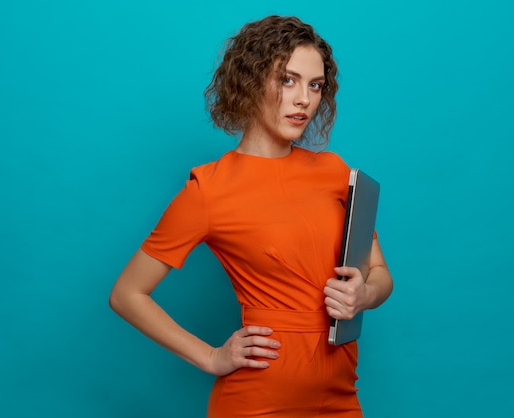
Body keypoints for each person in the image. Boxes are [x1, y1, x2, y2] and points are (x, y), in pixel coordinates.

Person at [109, 15, 393, 417]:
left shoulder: (334, 172)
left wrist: (365, 294)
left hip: (341, 395)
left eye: (315, 85)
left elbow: (380, 274)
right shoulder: (210, 189)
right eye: (287, 79)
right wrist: (210, 357)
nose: (303, 100)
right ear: (251, 81)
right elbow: (126, 294)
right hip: (258, 400)